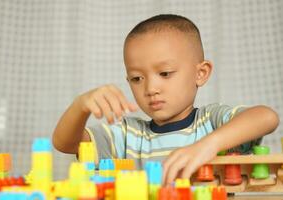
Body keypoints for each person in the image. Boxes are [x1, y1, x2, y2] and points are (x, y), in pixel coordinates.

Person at [52, 14, 279, 185]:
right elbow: (65, 143)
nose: (151, 88)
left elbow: (266, 117)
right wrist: (80, 106)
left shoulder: (212, 122)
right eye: (137, 78)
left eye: (165, 73)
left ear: (201, 73)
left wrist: (208, 145)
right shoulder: (129, 136)